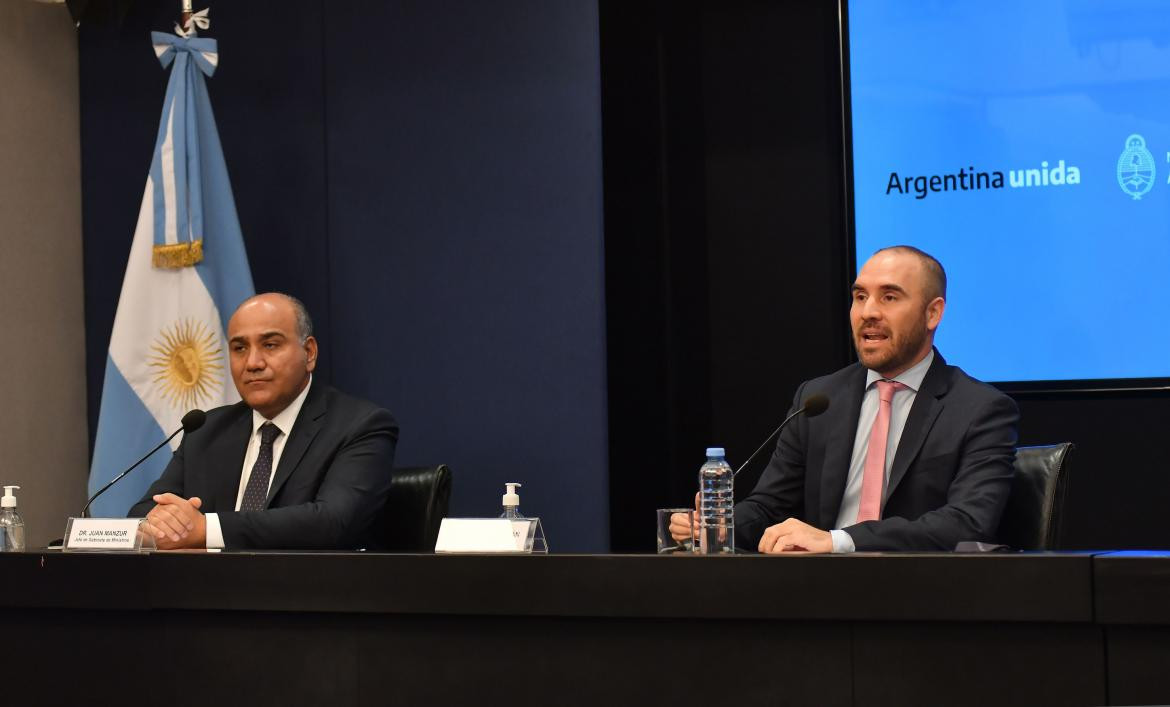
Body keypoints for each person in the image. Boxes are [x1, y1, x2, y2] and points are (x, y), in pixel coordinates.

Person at [672, 245, 1018, 553]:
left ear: (933, 313)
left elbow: (967, 523)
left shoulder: (979, 409)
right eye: (860, 296)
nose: (868, 312)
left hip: (920, 599)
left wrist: (839, 541)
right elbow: (769, 506)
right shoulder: (819, 399)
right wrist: (720, 526)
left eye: (889, 297)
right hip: (816, 595)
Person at [129, 293, 399, 550]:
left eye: (270, 345)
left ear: (310, 353)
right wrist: (163, 524)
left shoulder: (360, 425)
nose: (253, 363)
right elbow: (143, 513)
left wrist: (207, 529)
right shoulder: (207, 429)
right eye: (239, 348)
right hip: (208, 593)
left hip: (311, 594)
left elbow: (333, 521)